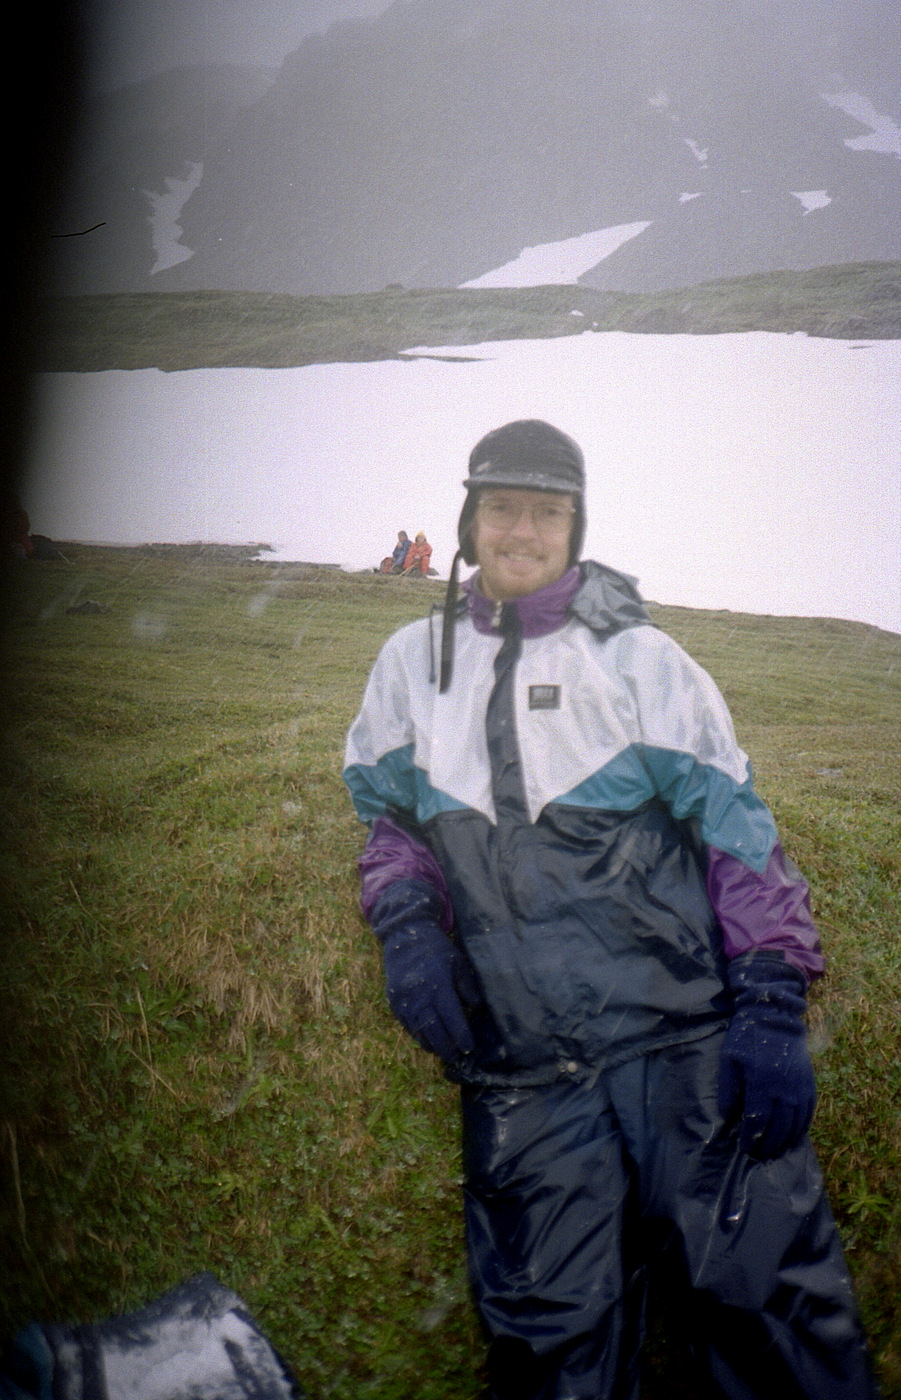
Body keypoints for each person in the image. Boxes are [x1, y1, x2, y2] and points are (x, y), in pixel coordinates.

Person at [342, 420, 878, 1400]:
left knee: (772, 1320)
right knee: (554, 1349)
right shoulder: (409, 665)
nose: (522, 530)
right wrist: (408, 924)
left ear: (575, 527)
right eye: (502, 507)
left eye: (546, 512)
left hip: (687, 1047)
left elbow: (735, 826)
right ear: (468, 520)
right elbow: (392, 822)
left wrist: (769, 996)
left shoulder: (642, 660)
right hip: (521, 1070)